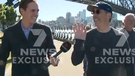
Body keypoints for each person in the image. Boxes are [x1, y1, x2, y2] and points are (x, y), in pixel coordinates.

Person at [71, 1, 134, 76]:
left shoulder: (120, 37)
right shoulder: (88, 36)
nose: (94, 15)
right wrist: (79, 41)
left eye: (97, 12)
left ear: (108, 15)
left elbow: (129, 65)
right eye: (93, 12)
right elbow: (75, 61)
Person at [0, 0, 59, 76]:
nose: (36, 14)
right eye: (33, 10)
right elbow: (2, 57)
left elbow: (51, 49)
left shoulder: (45, 30)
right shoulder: (9, 32)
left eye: (37, 11)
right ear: (22, 11)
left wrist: (53, 56)